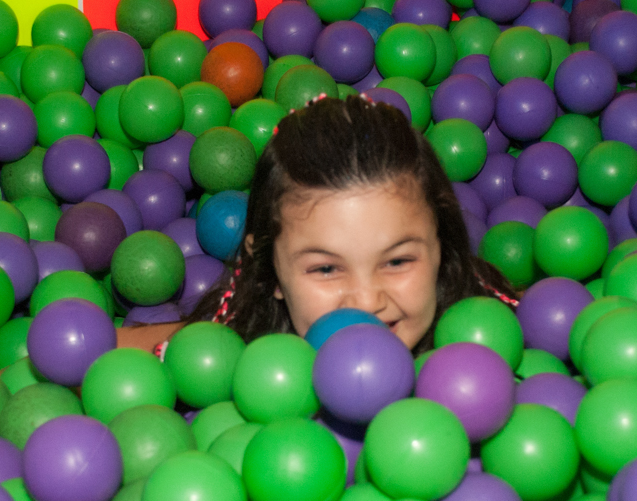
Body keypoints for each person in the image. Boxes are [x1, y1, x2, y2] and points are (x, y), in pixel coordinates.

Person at [118, 93, 517, 356]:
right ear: (271, 269)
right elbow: (98, 354)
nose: (365, 301)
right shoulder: (236, 354)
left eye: (397, 261)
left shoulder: (493, 336)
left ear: (441, 248)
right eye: (326, 268)